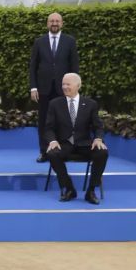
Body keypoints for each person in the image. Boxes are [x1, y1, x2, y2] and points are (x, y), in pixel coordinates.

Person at [44, 73, 108, 205]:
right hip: (64, 144)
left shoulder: (91, 104)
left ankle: (91, 191)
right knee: (52, 154)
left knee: (102, 152)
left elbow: (98, 126)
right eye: (63, 84)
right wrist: (53, 141)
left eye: (68, 84)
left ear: (78, 85)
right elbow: (48, 128)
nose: (65, 87)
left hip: (84, 144)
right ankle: (69, 188)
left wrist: (98, 139)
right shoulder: (54, 104)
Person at [29, 12, 78, 163]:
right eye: (51, 21)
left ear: (62, 23)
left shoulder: (70, 41)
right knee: (44, 121)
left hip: (64, 89)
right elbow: (33, 66)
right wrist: (33, 88)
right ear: (47, 24)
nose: (54, 23)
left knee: (64, 121)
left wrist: (74, 87)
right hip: (43, 90)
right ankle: (44, 152)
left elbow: (74, 65)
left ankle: (63, 152)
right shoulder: (39, 42)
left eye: (57, 21)